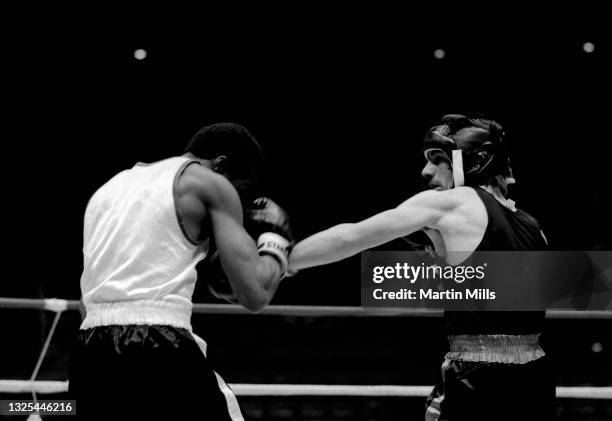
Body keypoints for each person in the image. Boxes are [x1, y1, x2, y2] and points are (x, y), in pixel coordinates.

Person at [288, 114, 554, 420]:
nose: (426, 171)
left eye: (437, 159)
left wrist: (280, 261)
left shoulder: (455, 203)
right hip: (536, 375)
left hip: (476, 376)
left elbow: (353, 235)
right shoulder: (534, 226)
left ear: (471, 161)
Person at [69, 123, 293, 420]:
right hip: (159, 346)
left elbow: (88, 296)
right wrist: (275, 240)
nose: (240, 204)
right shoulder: (207, 183)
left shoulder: (107, 190)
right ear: (221, 164)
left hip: (90, 353)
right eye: (242, 190)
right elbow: (255, 293)